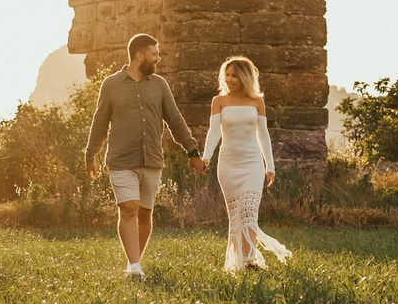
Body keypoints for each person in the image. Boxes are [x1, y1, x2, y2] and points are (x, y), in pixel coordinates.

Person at [83, 32, 201, 279]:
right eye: (154, 54)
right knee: (129, 208)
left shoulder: (159, 85)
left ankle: (134, 260)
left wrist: (192, 151)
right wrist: (90, 154)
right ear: (139, 55)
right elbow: (99, 122)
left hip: (151, 160)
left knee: (145, 214)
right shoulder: (111, 84)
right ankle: (134, 266)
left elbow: (175, 120)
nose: (158, 59)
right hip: (121, 159)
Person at [202, 54, 292, 273]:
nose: (229, 79)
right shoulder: (219, 101)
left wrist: (270, 166)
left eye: (234, 75)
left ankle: (250, 260)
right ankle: (239, 259)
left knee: (249, 210)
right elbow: (214, 132)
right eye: (227, 75)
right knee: (236, 215)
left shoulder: (257, 101)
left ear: (245, 77)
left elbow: (263, 135)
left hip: (252, 162)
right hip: (228, 164)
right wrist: (206, 156)